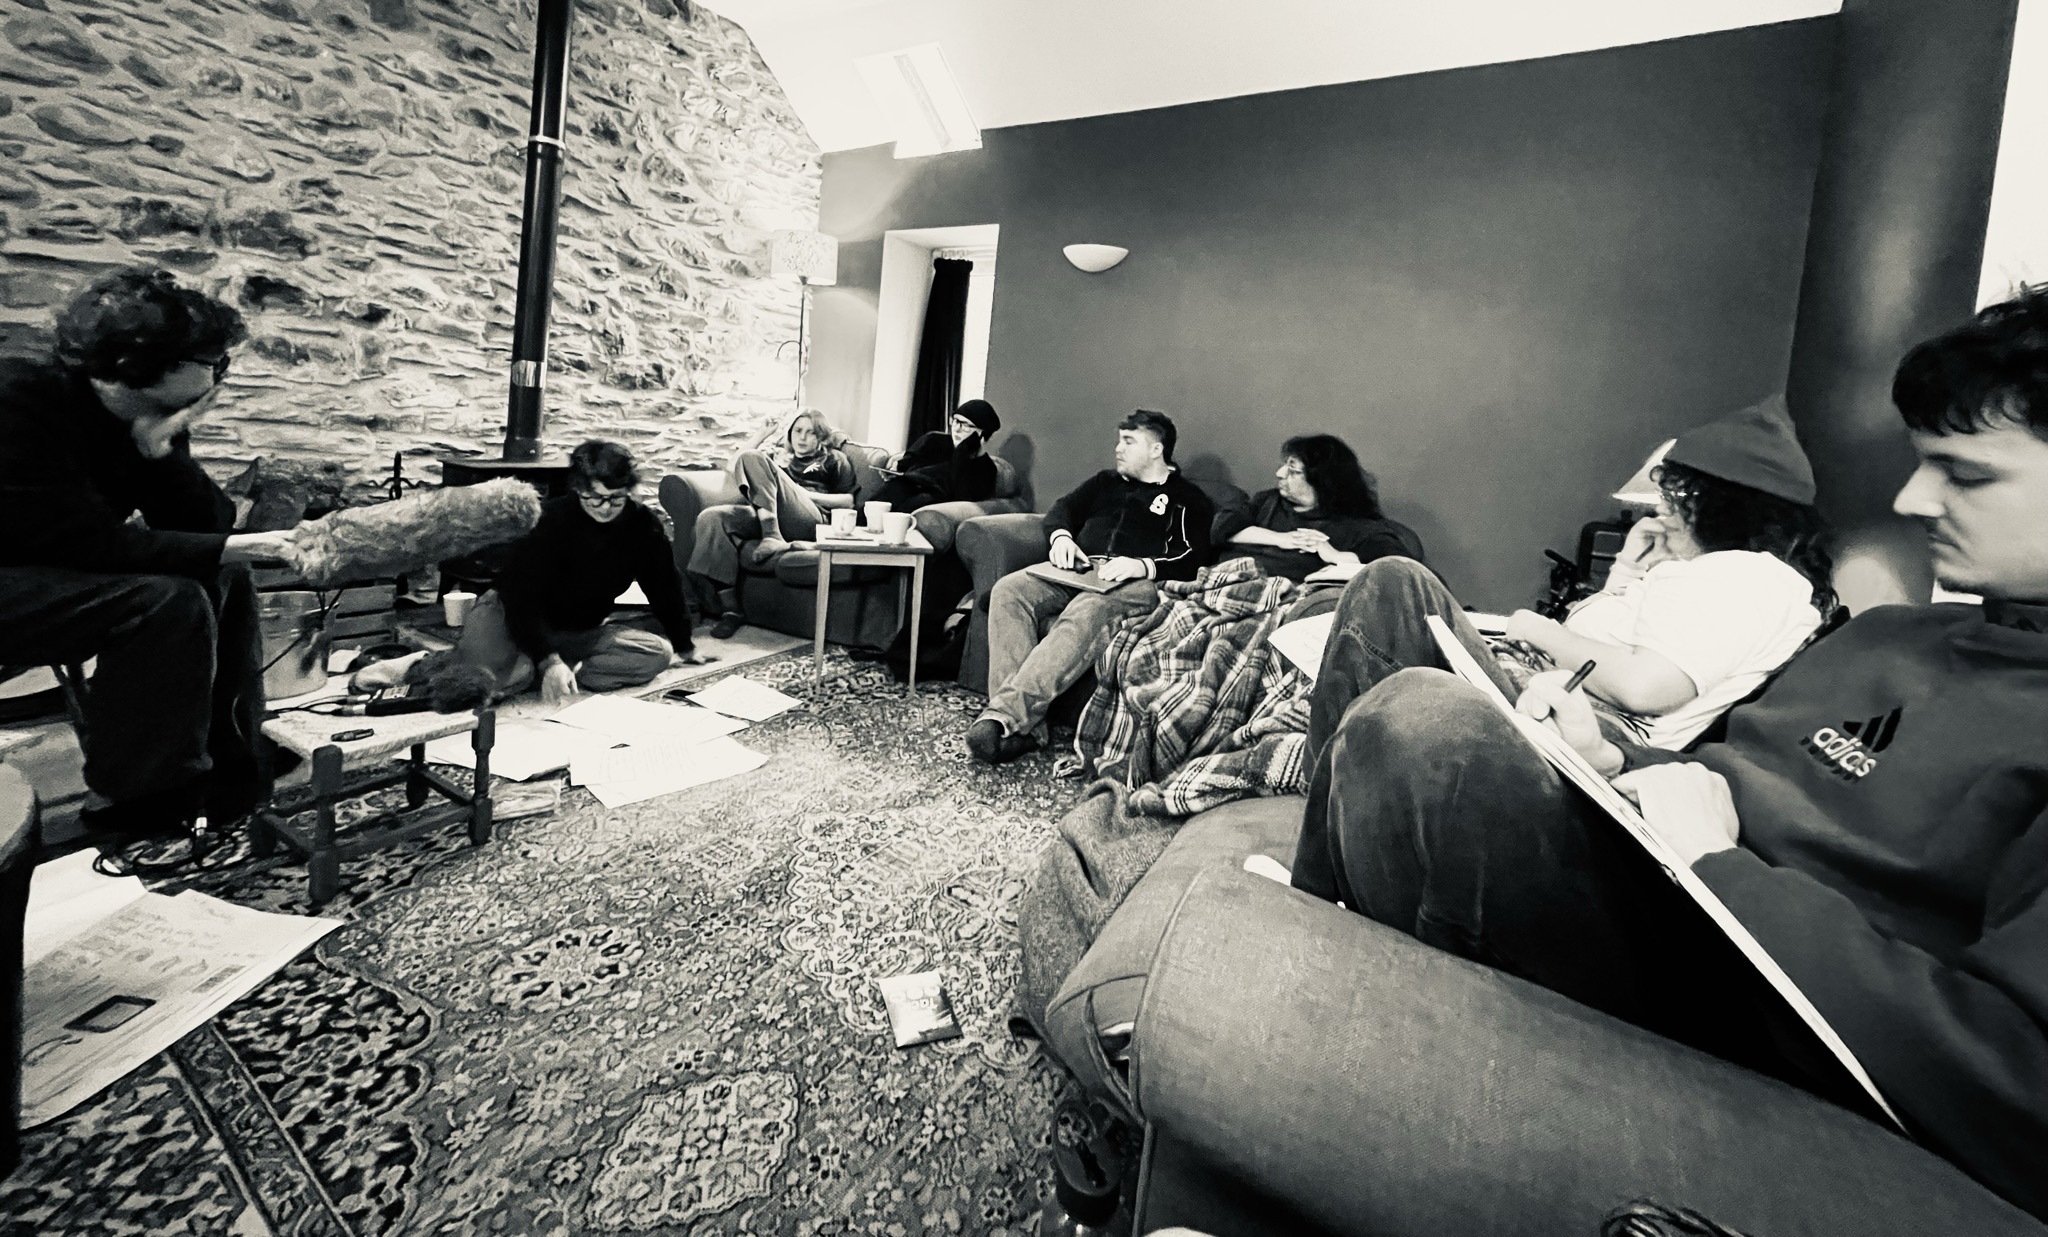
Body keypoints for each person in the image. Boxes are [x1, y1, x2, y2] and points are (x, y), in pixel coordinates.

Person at [1291, 287, 2048, 1219]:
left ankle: (1308, 939)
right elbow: (1718, 772)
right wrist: (1613, 765)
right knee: (1395, 600)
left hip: (1742, 984)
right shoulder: (1890, 633)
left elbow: (2018, 1087)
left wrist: (1720, 868)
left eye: (1963, 474)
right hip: (1661, 871)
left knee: (1422, 730)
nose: (1907, 498)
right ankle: (1319, 921)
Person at [1319, 396, 1835, 752]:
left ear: (1725, 507)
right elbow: (1617, 644)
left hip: (1589, 727)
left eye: (1679, 497)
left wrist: (1540, 630)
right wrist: (1628, 572)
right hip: (1558, 692)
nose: (1664, 511)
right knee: (1327, 605)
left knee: (1395, 583)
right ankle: (1320, 760)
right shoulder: (1701, 574)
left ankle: (1316, 768)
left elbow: (1644, 685)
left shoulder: (1745, 578)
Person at [0, 268, 296, 841]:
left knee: (224, 574)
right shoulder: (21, 397)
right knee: (165, 600)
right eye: (209, 360)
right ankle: (132, 798)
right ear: (145, 361)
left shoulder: (150, 412)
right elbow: (86, 541)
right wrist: (244, 543)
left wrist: (159, 453)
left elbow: (205, 524)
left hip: (60, 563)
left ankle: (230, 760)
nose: (219, 374)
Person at [967, 409, 1214, 765]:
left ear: (1157, 449)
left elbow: (1195, 555)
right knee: (1009, 591)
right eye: (1119, 439)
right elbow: (1062, 510)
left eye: (1128, 441)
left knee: (1087, 610)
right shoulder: (1104, 482)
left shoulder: (1187, 498)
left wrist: (1143, 565)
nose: (1118, 448)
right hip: (1080, 569)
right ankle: (1027, 731)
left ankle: (1002, 719)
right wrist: (1061, 538)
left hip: (1136, 582)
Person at [452, 441, 698, 704]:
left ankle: (536, 672)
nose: (604, 507)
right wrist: (548, 660)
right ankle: (535, 669)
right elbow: (520, 599)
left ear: (628, 491)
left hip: (578, 630)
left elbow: (664, 586)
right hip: (510, 615)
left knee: (657, 654)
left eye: (615, 498)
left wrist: (684, 642)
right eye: (594, 497)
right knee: (479, 683)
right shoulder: (549, 519)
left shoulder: (643, 525)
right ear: (578, 489)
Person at [689, 409, 860, 638]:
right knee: (711, 518)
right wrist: (761, 434)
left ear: (821, 437)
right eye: (797, 431)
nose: (802, 438)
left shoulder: (833, 459)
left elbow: (848, 500)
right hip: (770, 513)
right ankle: (731, 610)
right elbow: (733, 466)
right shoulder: (779, 456)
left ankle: (772, 535)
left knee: (753, 458)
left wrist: (798, 493)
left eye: (810, 433)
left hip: (810, 518)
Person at [1214, 434, 1418, 584]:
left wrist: (1336, 557)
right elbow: (1220, 529)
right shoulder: (1268, 501)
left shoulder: (1357, 528)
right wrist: (1281, 539)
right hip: (1221, 582)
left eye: (1293, 471)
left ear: (1322, 483)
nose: (1279, 473)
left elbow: (1401, 570)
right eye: (1284, 465)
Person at [871, 398, 1002, 512]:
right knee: (893, 489)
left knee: (921, 499)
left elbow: (961, 495)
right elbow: (907, 464)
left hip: (932, 502)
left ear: (982, 433)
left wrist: (963, 452)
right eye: (955, 420)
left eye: (965, 425)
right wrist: (894, 469)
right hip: (905, 487)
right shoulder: (934, 441)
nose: (956, 428)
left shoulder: (986, 469)